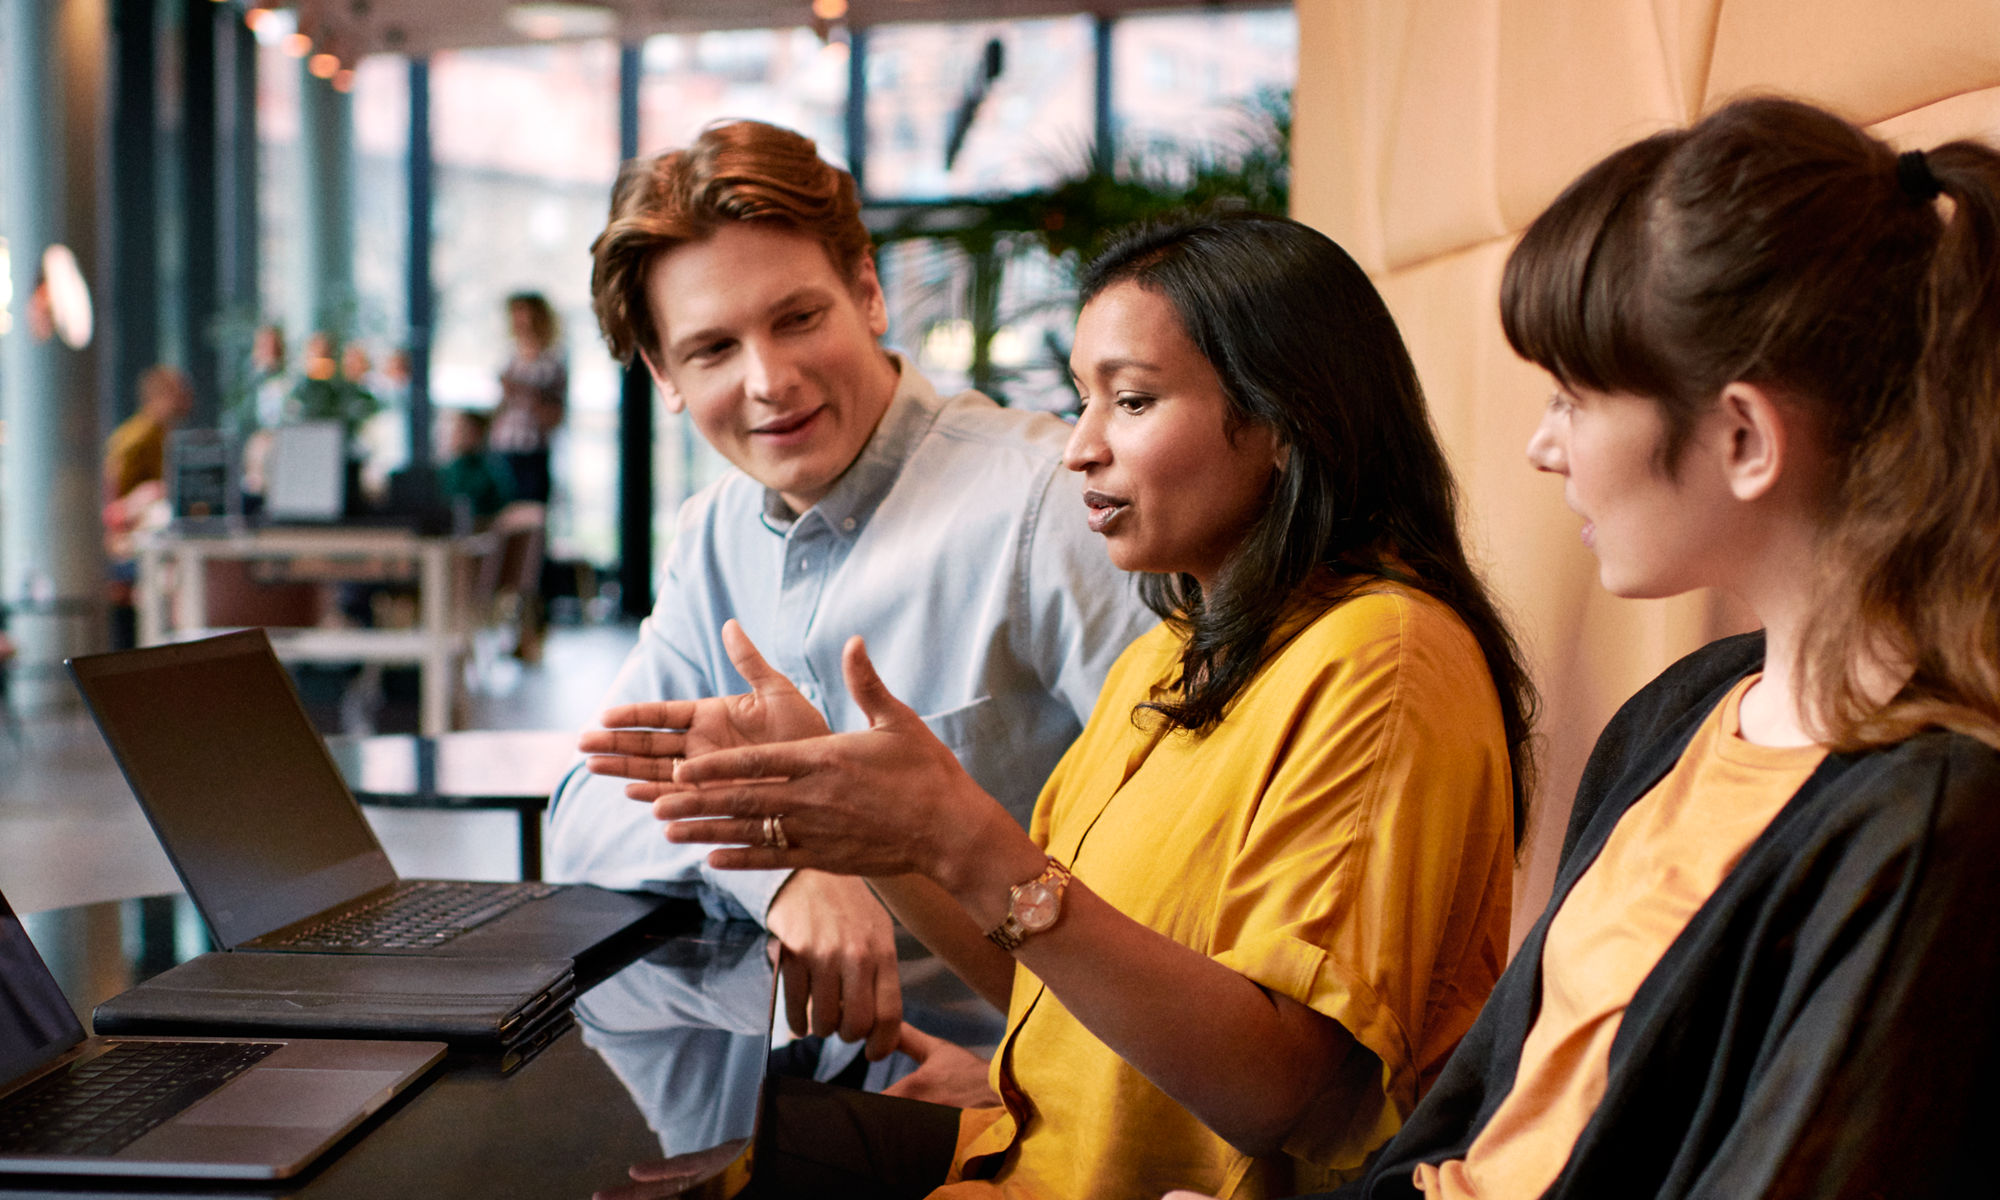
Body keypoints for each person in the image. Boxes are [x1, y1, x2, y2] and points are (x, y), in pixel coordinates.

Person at [584, 213, 1536, 1197]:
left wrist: (955, 837)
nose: (1078, 449)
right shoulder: (1175, 649)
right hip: (1014, 1149)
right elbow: (1042, 986)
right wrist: (873, 827)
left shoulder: (1380, 658)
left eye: (1130, 401)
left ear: (1286, 419)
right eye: (1083, 400)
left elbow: (1287, 1095)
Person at [1251, 96, 2000, 1200]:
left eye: (1570, 397)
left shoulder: (1927, 819)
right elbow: (1473, 1121)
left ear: (1741, 437)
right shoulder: (1680, 708)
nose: (1539, 446)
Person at [545, 120, 1157, 1079]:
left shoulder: (1050, 507)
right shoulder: (714, 532)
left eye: (796, 319)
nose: (769, 380)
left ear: (867, 293)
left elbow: (1190, 886)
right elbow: (589, 805)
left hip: (1021, 1092)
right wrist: (787, 869)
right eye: (711, 349)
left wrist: (1029, 1088)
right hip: (788, 1080)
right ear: (663, 377)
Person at [102, 365, 195, 648]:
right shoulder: (136, 438)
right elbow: (109, 505)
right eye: (181, 392)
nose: (189, 398)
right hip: (126, 549)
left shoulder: (163, 436)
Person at [492, 291, 566, 505]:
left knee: (531, 512)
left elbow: (555, 415)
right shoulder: (510, 358)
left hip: (533, 451)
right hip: (503, 447)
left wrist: (523, 392)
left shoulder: (552, 363)